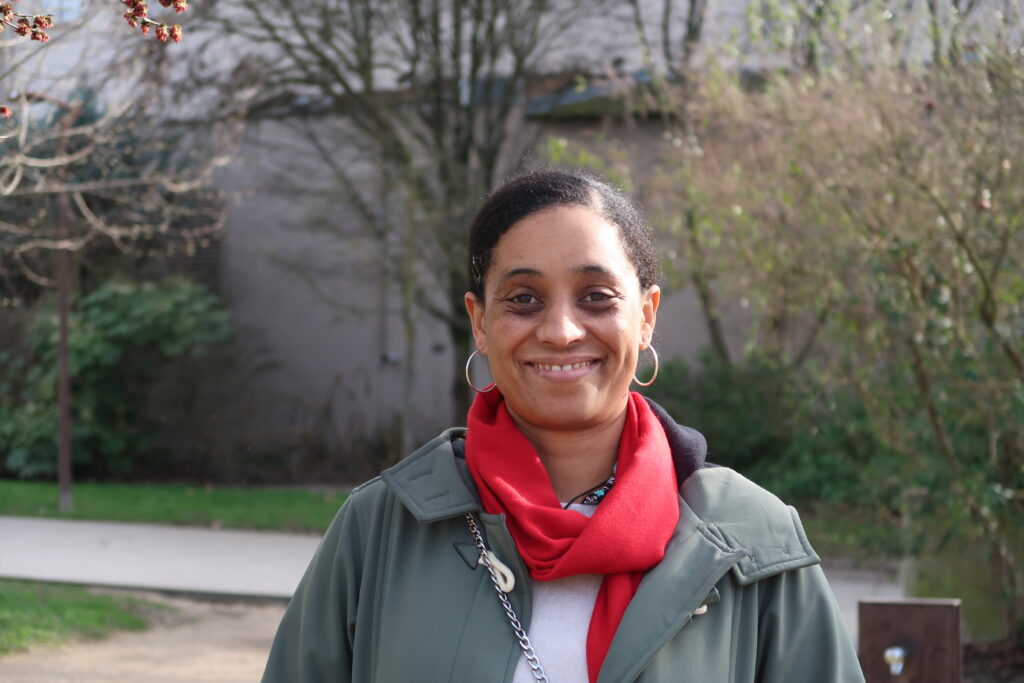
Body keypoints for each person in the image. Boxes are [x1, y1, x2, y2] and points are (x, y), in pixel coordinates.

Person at [261, 169, 865, 683]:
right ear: (479, 321)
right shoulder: (380, 530)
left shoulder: (753, 543)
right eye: (523, 298)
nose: (561, 331)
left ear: (647, 316)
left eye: (596, 296)